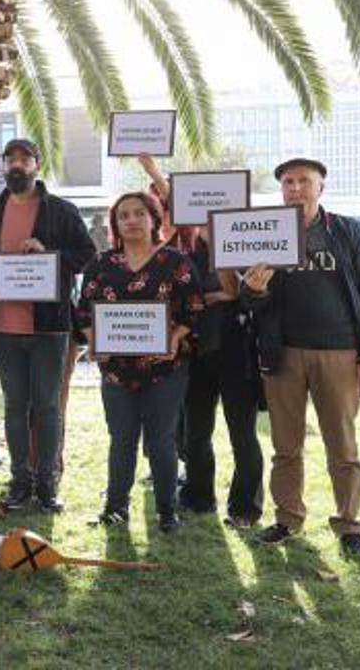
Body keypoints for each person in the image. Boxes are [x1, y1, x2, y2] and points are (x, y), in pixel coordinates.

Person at [242, 158, 360, 557]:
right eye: (288, 182)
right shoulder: (265, 233)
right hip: (283, 352)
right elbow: (252, 301)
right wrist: (254, 290)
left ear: (320, 187)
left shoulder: (349, 231)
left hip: (339, 352)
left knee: (342, 446)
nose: (295, 188)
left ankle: (349, 526)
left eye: (304, 181)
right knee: (285, 446)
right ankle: (287, 519)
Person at [139, 154, 265, 527]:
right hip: (196, 348)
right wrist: (151, 170)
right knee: (195, 431)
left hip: (235, 347)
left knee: (242, 431)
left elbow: (234, 292)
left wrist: (220, 249)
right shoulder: (182, 247)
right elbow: (195, 296)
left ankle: (244, 507)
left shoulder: (242, 240)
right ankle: (198, 496)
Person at [0, 139, 96, 512]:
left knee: (46, 407)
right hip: (2, 327)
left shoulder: (60, 211)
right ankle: (19, 481)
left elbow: (87, 256)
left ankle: (47, 482)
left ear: (37, 165)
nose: (17, 165)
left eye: (24, 159)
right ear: (3, 167)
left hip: (48, 327)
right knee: (15, 407)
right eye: (10, 159)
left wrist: (48, 253)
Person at [77, 192, 202, 532]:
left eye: (138, 214)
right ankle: (116, 507)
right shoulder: (101, 265)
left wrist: (175, 339)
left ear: (154, 218)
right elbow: (82, 312)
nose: (131, 220)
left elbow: (194, 308)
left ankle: (166, 510)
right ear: (115, 224)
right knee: (121, 438)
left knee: (162, 440)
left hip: (165, 369)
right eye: (123, 216)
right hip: (116, 371)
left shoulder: (176, 262)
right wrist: (93, 342)